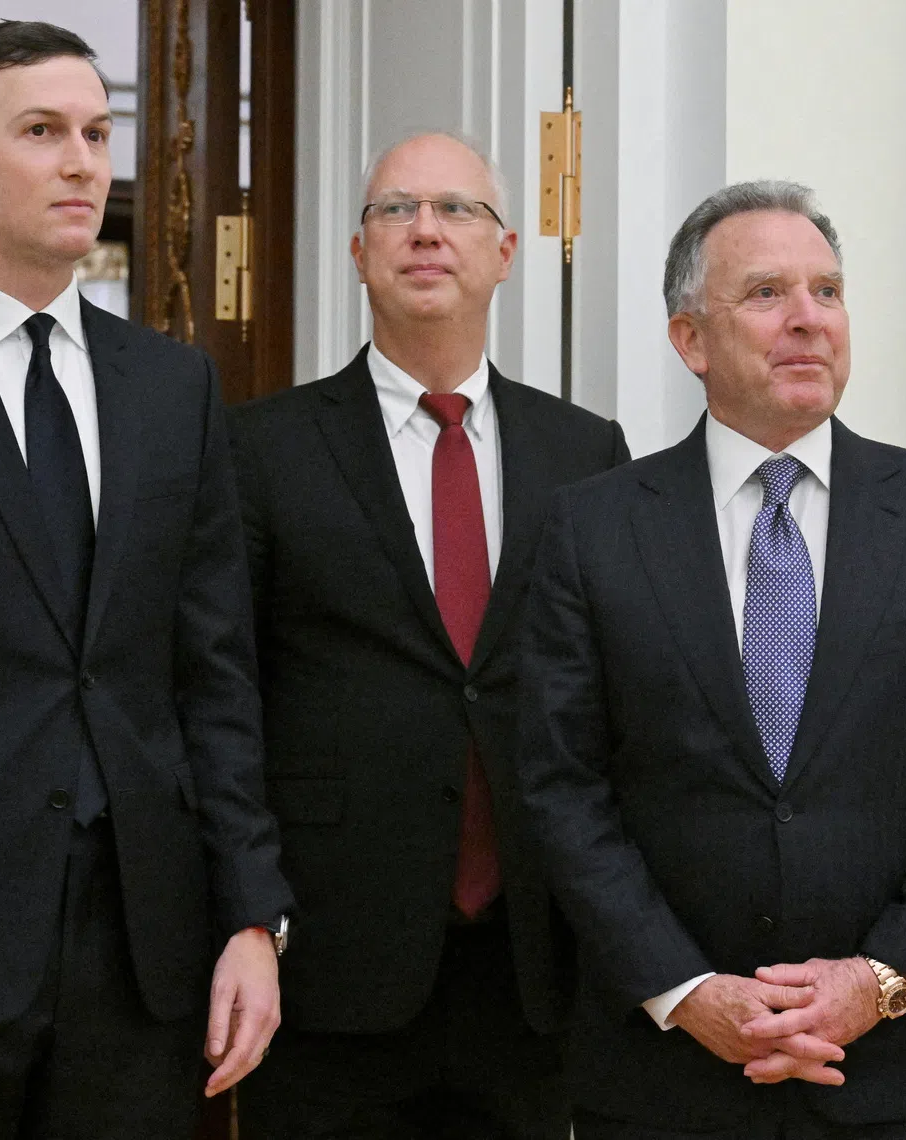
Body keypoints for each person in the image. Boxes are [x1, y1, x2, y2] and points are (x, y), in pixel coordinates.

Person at [516, 180, 906, 1140]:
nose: (808, 320)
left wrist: (880, 981)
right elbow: (560, 783)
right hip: (661, 1075)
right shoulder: (592, 528)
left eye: (828, 292)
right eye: (766, 294)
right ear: (690, 340)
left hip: (888, 1072)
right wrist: (683, 990)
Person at [230, 131, 630, 1139]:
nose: (424, 232)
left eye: (458, 210)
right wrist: (248, 912)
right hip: (329, 964)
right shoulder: (261, 448)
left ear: (506, 253)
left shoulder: (587, 454)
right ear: (359, 254)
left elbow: (615, 701)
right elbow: (221, 694)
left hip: (532, 969)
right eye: (393, 210)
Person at [0, 19, 294, 1140]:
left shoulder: (174, 390)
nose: (82, 162)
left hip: (143, 950)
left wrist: (253, 918)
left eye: (97, 131)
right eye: (40, 132)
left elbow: (216, 674)